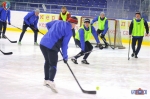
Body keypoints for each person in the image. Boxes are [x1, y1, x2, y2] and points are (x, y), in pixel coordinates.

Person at [40, 16, 78, 93]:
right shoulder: (69, 31)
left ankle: (46, 80)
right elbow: (64, 45)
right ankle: (51, 81)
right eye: (75, 24)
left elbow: (48, 24)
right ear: (73, 23)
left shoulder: (59, 21)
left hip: (43, 43)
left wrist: (52, 34)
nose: (75, 26)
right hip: (52, 47)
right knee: (53, 64)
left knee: (47, 61)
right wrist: (65, 56)